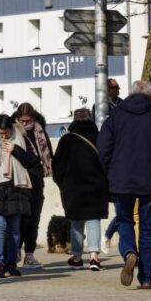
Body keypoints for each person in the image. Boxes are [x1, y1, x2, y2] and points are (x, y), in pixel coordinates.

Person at [99, 77, 151, 290]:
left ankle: (129, 252)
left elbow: (103, 147)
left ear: (131, 93)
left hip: (121, 179)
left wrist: (111, 172)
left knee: (125, 220)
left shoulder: (115, 115)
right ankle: (147, 277)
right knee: (148, 228)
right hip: (149, 179)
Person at [52, 107, 110, 271]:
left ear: (74, 121)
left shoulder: (66, 140)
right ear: (90, 120)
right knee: (93, 221)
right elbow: (106, 162)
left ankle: (77, 258)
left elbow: (56, 166)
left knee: (76, 222)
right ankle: (94, 258)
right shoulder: (99, 138)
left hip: (72, 188)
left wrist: (62, 184)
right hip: (96, 187)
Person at [0, 113, 37, 279]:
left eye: (6, 133)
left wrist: (14, 149)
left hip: (17, 187)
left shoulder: (22, 138)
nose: (3, 136)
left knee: (14, 230)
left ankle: (12, 263)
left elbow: (32, 160)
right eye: (0, 133)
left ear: (11, 129)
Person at [12, 103, 54, 268]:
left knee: (34, 219)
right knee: (20, 220)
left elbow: (47, 153)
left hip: (36, 179)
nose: (24, 124)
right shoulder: (13, 132)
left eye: (27, 120)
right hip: (19, 180)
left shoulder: (40, 130)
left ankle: (29, 254)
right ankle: (15, 251)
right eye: (21, 120)